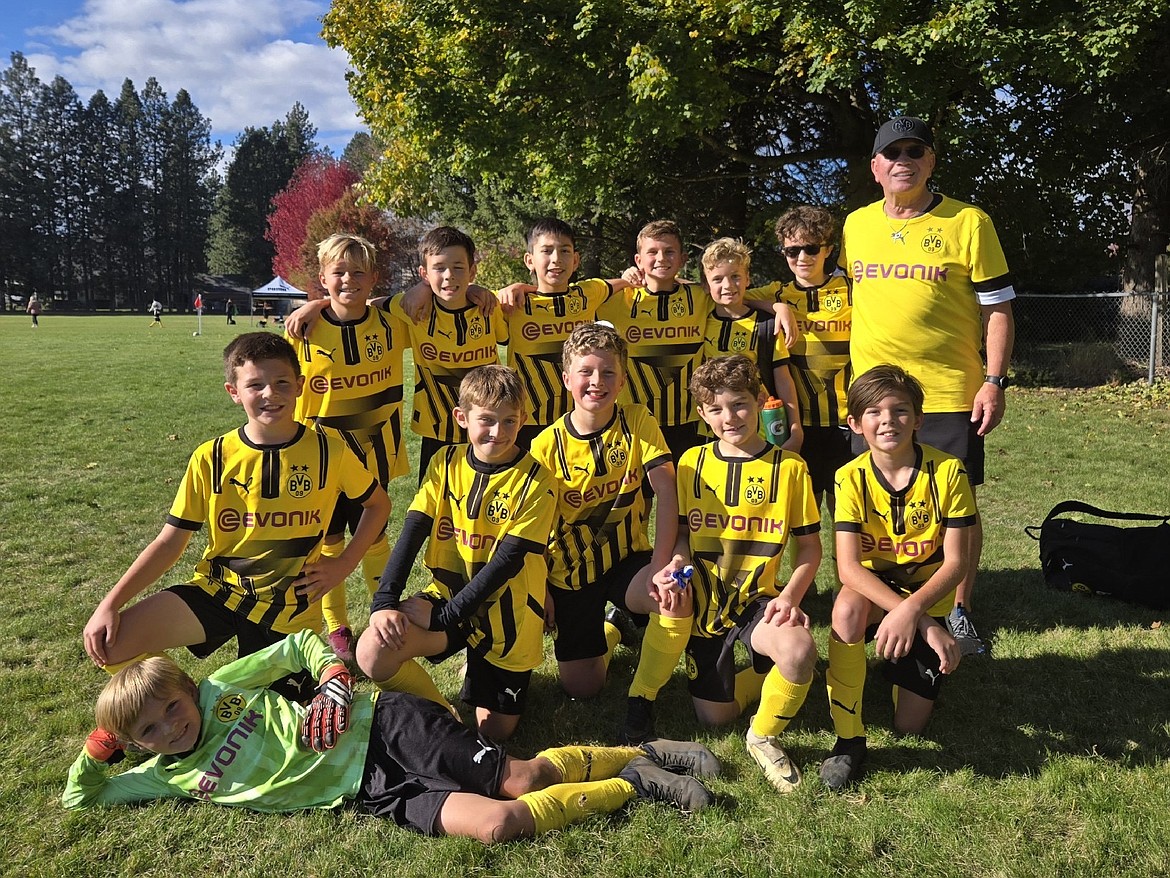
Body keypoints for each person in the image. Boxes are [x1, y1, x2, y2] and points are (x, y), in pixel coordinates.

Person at [64, 630, 718, 840]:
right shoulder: (166, 773)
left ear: (187, 689)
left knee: (524, 776)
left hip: (388, 731)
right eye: (149, 731)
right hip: (372, 791)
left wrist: (333, 683)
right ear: (137, 744)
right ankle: (632, 782)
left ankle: (645, 752)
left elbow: (301, 643)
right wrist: (101, 747)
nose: (171, 728)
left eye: (171, 709)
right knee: (498, 825)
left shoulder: (221, 688)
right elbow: (81, 800)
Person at [81, 333, 390, 700]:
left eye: (281, 383)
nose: (269, 394)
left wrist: (342, 564)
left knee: (272, 724)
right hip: (220, 591)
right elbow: (169, 542)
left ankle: (248, 693)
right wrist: (110, 604)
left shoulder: (329, 451)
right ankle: (185, 703)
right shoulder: (211, 457)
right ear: (233, 391)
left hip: (288, 610)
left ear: (300, 387)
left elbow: (378, 505)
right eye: (254, 385)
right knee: (112, 644)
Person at [840, 115, 1015, 652]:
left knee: (955, 509)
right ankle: (884, 601)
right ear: (875, 167)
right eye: (892, 153)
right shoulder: (855, 225)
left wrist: (993, 381)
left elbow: (999, 309)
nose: (904, 161)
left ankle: (958, 609)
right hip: (872, 398)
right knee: (875, 502)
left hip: (946, 392)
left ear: (931, 162)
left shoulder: (969, 222)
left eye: (916, 151)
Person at [644, 355, 821, 792]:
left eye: (740, 404)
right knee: (713, 717)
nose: (730, 417)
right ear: (702, 414)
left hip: (757, 602)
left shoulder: (790, 469)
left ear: (760, 402)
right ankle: (762, 677)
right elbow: (682, 536)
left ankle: (762, 736)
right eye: (717, 409)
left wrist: (789, 598)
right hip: (705, 604)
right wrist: (678, 562)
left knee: (799, 651)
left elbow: (811, 551)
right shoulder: (691, 463)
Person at [356, 365, 555, 742]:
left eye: (509, 421)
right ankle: (445, 717)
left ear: (523, 419)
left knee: (495, 732)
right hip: (447, 596)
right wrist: (384, 601)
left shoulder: (537, 479)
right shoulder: (444, 462)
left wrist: (443, 618)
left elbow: (505, 564)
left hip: (506, 612)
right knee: (372, 650)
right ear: (462, 418)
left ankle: (480, 663)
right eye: (486, 420)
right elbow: (413, 529)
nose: (498, 432)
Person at [821, 365, 976, 791]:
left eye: (899, 410)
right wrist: (917, 620)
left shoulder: (948, 472)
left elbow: (956, 563)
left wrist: (916, 610)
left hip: (924, 599)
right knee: (847, 606)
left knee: (909, 728)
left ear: (919, 419)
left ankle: (896, 663)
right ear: (855, 424)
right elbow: (848, 569)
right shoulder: (848, 477)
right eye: (873, 412)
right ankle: (848, 737)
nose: (887, 420)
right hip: (876, 597)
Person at [529, 323, 685, 703]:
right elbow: (529, 531)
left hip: (627, 562)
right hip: (569, 575)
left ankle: (642, 699)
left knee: (674, 594)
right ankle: (613, 630)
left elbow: (666, 489)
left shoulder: (637, 421)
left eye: (608, 372)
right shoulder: (545, 446)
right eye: (586, 371)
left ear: (622, 381)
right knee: (584, 689)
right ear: (567, 379)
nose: (596, 381)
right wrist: (542, 588)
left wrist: (661, 566)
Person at [291, 233, 410, 663]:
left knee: (375, 535)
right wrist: (314, 307)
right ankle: (337, 626)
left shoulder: (391, 324)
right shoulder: (303, 330)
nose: (348, 280)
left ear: (373, 278)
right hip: (322, 460)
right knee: (329, 543)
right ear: (322, 278)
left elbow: (427, 296)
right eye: (338, 272)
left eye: (358, 272)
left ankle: (382, 612)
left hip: (374, 452)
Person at [391, 227, 508, 482]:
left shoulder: (488, 307)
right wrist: (317, 305)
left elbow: (510, 325)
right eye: (439, 268)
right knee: (434, 506)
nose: (448, 276)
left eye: (458, 267)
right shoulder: (412, 308)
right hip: (437, 428)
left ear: (472, 271)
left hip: (488, 426)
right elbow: (363, 307)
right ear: (424, 273)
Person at [504, 218, 632, 449]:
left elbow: (618, 284)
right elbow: (469, 296)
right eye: (546, 251)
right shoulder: (514, 304)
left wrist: (629, 276)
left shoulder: (587, 293)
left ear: (575, 260)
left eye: (564, 251)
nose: (556, 259)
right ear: (529, 260)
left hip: (580, 418)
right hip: (530, 419)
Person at [765, 206, 854, 520]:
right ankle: (805, 572)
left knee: (848, 514)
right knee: (804, 517)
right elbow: (722, 291)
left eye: (811, 248)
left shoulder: (852, 291)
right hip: (801, 425)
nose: (802, 257)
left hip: (849, 423)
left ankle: (849, 571)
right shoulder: (778, 291)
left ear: (828, 250)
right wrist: (776, 306)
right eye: (792, 250)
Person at [698, 238, 803, 450]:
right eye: (717, 279)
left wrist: (795, 428)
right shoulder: (700, 320)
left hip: (761, 430)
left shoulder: (767, 325)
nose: (727, 285)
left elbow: (783, 379)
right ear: (706, 285)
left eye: (735, 276)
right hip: (712, 429)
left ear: (748, 279)